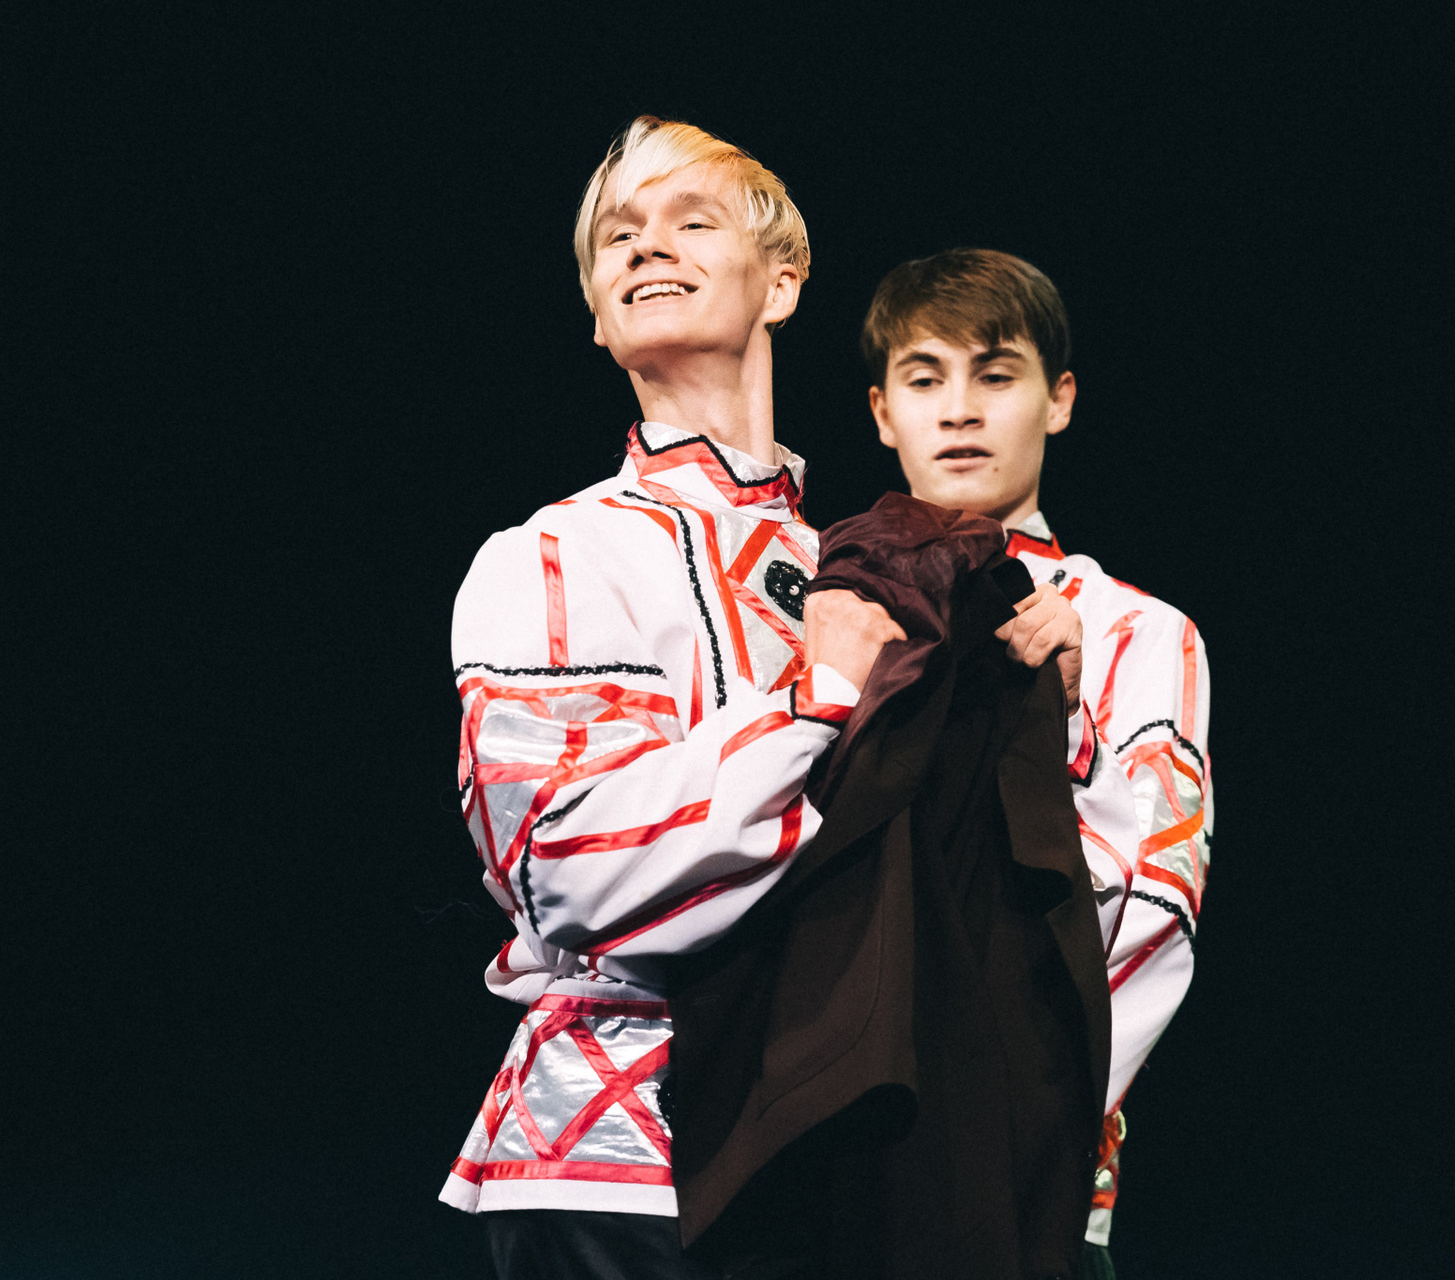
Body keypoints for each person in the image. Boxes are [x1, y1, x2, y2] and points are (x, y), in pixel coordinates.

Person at [438, 116, 907, 1277]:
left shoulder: (861, 574)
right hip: (620, 1170)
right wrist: (816, 696)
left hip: (839, 1166)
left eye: (692, 221)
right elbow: (568, 866)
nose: (648, 246)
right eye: (618, 235)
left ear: (782, 283)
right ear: (598, 316)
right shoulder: (555, 553)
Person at [862, 248, 1214, 1276]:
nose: (959, 409)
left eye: (995, 373)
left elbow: (1156, 902)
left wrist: (1014, 1109)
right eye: (924, 377)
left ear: (1058, 399)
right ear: (882, 412)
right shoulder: (824, 620)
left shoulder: (1140, 632)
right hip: (837, 1174)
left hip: (1034, 1185)